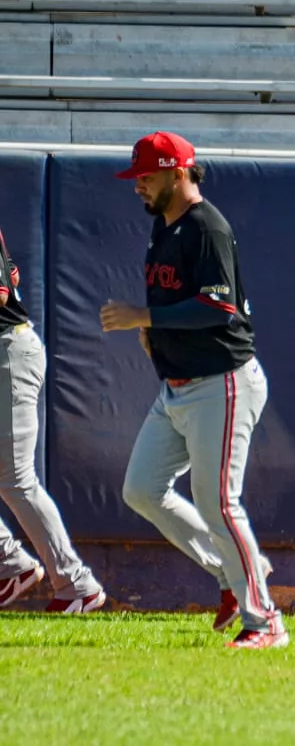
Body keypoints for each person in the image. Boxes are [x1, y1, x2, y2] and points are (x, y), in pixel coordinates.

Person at [102, 131, 287, 648]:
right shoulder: (164, 227)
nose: (138, 185)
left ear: (179, 172)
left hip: (221, 383)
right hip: (179, 388)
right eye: (136, 177)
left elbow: (217, 307)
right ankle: (232, 573)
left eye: (148, 175)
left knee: (220, 502)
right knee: (142, 488)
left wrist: (145, 316)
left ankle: (265, 619)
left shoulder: (206, 226)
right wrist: (154, 333)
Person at [0, 229, 106, 613]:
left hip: (8, 352)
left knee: (16, 478)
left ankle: (77, 584)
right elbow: (12, 275)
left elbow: (1, 290)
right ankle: (9, 562)